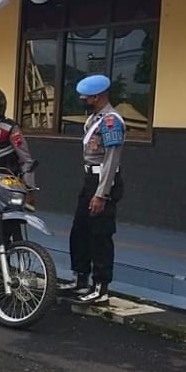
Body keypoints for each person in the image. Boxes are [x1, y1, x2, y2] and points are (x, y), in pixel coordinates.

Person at [62, 74, 126, 305]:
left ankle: (100, 287)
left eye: (86, 97)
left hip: (104, 180)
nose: (83, 100)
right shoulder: (94, 119)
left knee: (100, 234)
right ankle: (80, 278)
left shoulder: (111, 121)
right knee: (79, 230)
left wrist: (101, 194)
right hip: (90, 179)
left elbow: (111, 160)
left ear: (97, 96)